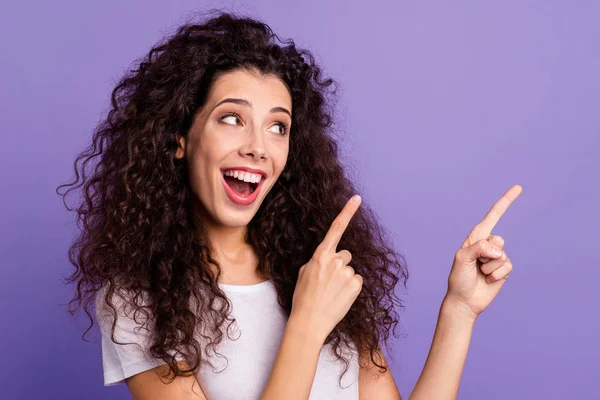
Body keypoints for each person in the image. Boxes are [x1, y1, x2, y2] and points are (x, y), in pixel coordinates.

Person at [57, 9, 522, 400]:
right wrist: (308, 321)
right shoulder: (138, 298)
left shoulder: (323, 267)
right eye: (232, 118)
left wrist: (459, 310)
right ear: (179, 137)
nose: (258, 146)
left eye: (278, 126)